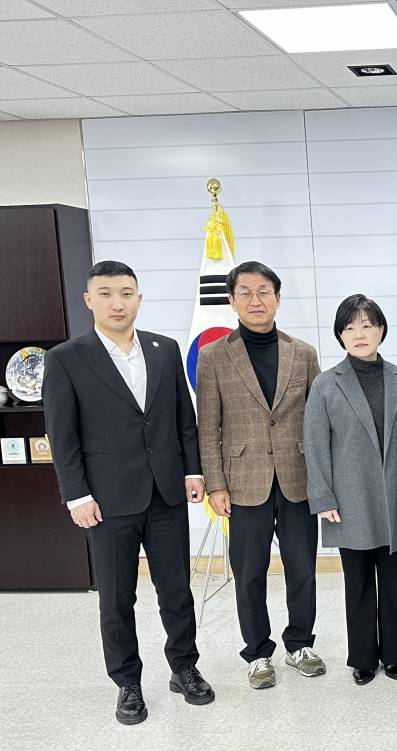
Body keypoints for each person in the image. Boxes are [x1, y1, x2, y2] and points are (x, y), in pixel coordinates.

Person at [43, 260, 214, 725]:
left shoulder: (164, 349)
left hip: (166, 492)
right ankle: (127, 683)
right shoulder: (65, 358)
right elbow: (63, 436)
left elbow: (183, 418)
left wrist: (193, 471)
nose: (116, 302)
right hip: (106, 500)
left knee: (176, 589)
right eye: (105, 293)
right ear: (89, 300)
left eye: (125, 292)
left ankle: (184, 667)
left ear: (138, 298)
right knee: (117, 598)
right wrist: (77, 496)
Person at [196, 261, 324, 690]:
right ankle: (257, 652)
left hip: (298, 477)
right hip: (241, 481)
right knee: (249, 573)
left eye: (264, 291)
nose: (256, 300)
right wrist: (215, 484)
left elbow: (318, 421)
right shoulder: (214, 355)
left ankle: (300, 644)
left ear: (278, 298)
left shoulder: (303, 353)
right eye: (246, 292)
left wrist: (324, 479)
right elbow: (207, 426)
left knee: (302, 569)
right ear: (231, 301)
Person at [304, 294, 397, 686]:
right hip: (350, 497)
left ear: (381, 330)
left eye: (367, 325)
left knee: (395, 581)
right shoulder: (326, 384)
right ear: (340, 335)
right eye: (350, 327)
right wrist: (322, 496)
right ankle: (362, 657)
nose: (359, 334)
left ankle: (395, 654)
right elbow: (314, 443)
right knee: (357, 582)